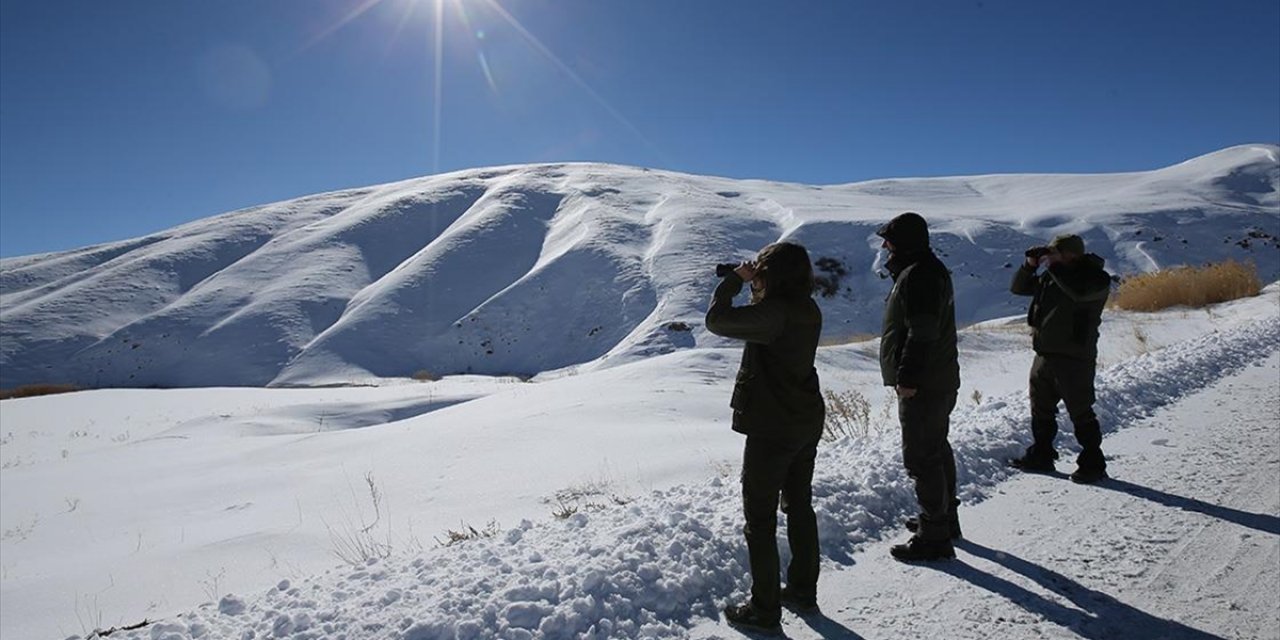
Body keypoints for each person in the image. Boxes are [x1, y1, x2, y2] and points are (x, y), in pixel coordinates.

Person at [706, 241, 825, 634]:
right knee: (799, 505)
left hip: (773, 427)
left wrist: (735, 284)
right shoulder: (806, 308)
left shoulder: (774, 313)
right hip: (804, 419)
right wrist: (759, 285)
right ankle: (803, 591)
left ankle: (764, 609)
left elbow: (717, 321)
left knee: (760, 520)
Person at [876, 212, 962, 562]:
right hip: (939, 377)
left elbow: (921, 330)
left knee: (922, 456)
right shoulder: (925, 269)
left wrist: (908, 377)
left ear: (905, 243)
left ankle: (935, 537)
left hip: (924, 382)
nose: (884, 246)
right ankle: (944, 519)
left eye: (890, 240)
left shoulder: (921, 275)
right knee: (936, 448)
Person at [1009, 233, 1112, 484]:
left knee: (1080, 409)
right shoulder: (1052, 276)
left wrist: (1054, 266)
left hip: (1075, 356)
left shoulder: (1096, 278)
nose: (1050, 258)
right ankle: (1042, 453)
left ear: (1072, 254)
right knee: (1041, 407)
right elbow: (1019, 288)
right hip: (1045, 353)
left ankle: (1093, 462)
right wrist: (1029, 266)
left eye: (1055, 253)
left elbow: (1078, 292)